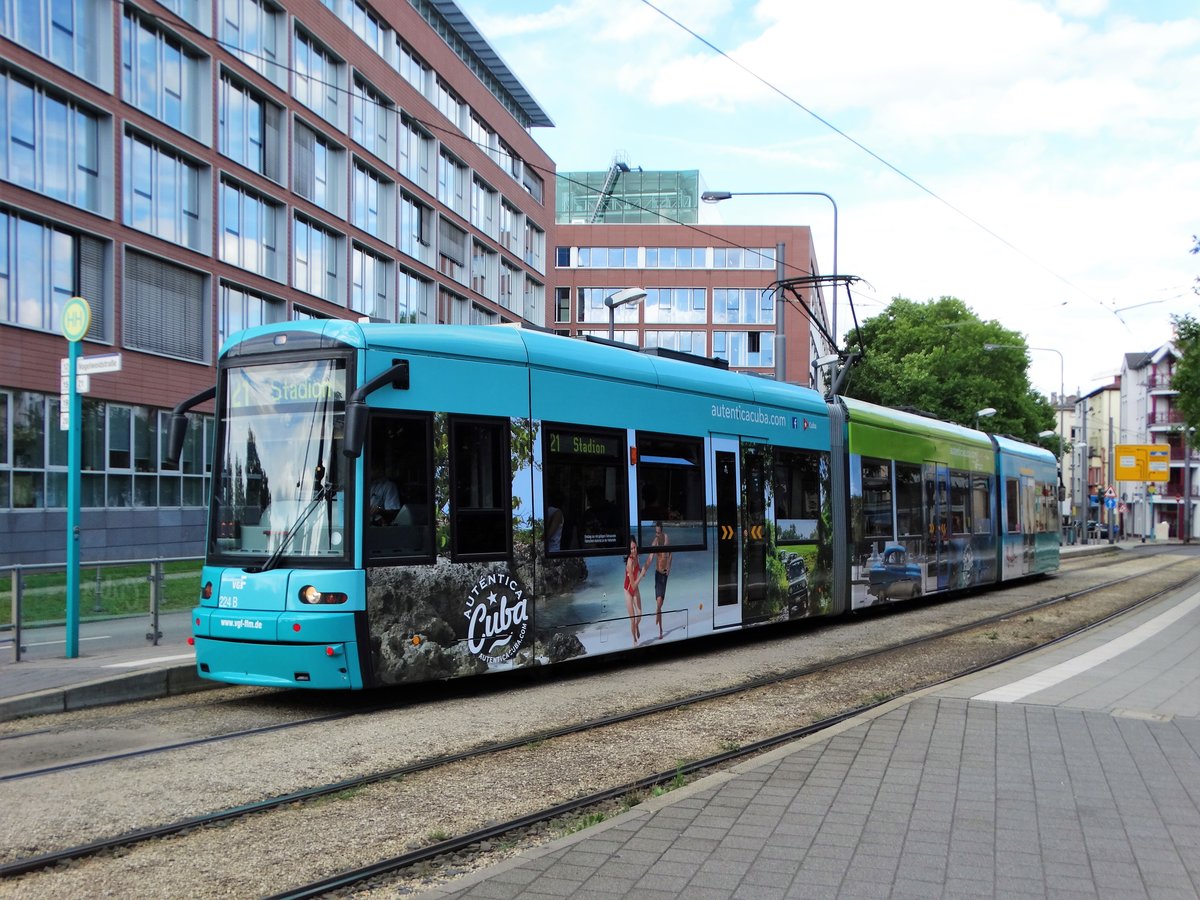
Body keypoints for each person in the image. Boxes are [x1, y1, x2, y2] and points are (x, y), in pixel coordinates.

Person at [623, 537, 650, 643]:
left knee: (640, 614)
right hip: (628, 590)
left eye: (634, 548)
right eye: (631, 549)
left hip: (635, 588)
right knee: (633, 618)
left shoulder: (637, 557)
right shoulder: (629, 563)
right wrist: (641, 575)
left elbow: (638, 567)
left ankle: (636, 626)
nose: (633, 550)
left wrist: (639, 569)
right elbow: (632, 586)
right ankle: (634, 640)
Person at [648, 522, 672, 640]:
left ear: (662, 531)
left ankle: (658, 612)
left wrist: (669, 567)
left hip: (665, 576)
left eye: (659, 532)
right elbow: (651, 555)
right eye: (656, 532)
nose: (657, 534)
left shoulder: (666, 538)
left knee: (660, 604)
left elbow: (671, 554)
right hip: (658, 574)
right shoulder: (656, 541)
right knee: (659, 603)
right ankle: (661, 630)